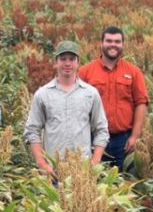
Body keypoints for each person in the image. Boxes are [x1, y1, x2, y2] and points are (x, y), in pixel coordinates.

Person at [23, 40, 109, 176]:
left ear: (78, 62)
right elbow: (32, 130)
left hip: (83, 170)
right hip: (53, 171)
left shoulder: (90, 94)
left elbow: (101, 130)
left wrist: (95, 161)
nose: (67, 63)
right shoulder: (43, 94)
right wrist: (42, 163)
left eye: (71, 59)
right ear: (56, 62)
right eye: (63, 59)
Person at [78, 26, 149, 171]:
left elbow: (141, 103)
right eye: (109, 41)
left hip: (123, 140)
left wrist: (134, 136)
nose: (113, 45)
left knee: (124, 184)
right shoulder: (85, 72)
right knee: (93, 182)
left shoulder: (133, 72)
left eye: (117, 42)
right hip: (93, 138)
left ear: (122, 44)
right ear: (101, 43)